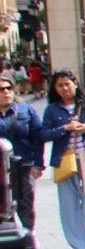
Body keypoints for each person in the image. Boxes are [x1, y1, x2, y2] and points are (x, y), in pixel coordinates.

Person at [41, 68, 85, 249]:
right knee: (69, 204)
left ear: (75, 84)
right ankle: (79, 245)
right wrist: (64, 128)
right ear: (55, 89)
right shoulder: (52, 110)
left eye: (67, 84)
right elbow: (44, 134)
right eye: (60, 85)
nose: (64, 89)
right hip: (64, 160)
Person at [0, 73, 46, 230]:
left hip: (23, 165)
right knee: (3, 206)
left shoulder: (26, 110)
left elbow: (38, 138)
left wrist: (38, 164)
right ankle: (9, 237)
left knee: (26, 204)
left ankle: (28, 236)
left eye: (8, 88)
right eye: (1, 89)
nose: (6, 92)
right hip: (0, 169)